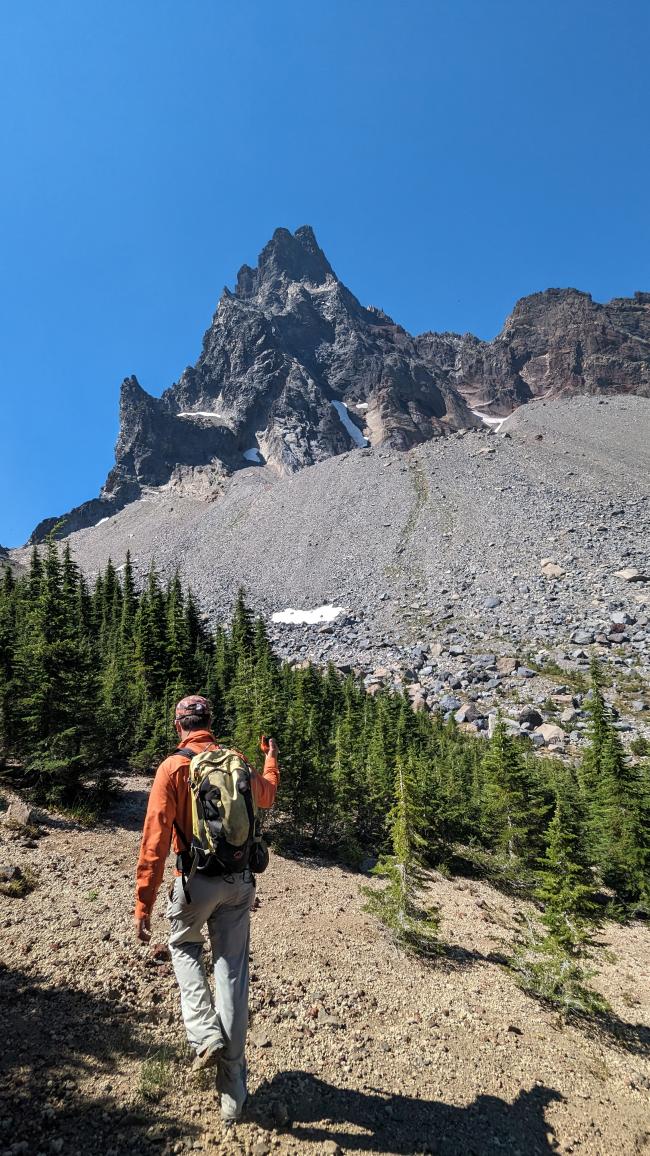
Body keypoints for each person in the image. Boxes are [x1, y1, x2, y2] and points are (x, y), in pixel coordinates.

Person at [134, 694, 280, 1125]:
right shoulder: (234, 760)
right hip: (240, 884)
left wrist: (144, 902)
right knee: (232, 973)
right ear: (210, 724)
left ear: (179, 725)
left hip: (195, 882)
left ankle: (203, 1032)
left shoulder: (173, 768)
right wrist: (269, 758)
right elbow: (267, 797)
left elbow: (155, 841)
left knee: (182, 944)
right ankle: (233, 1096)